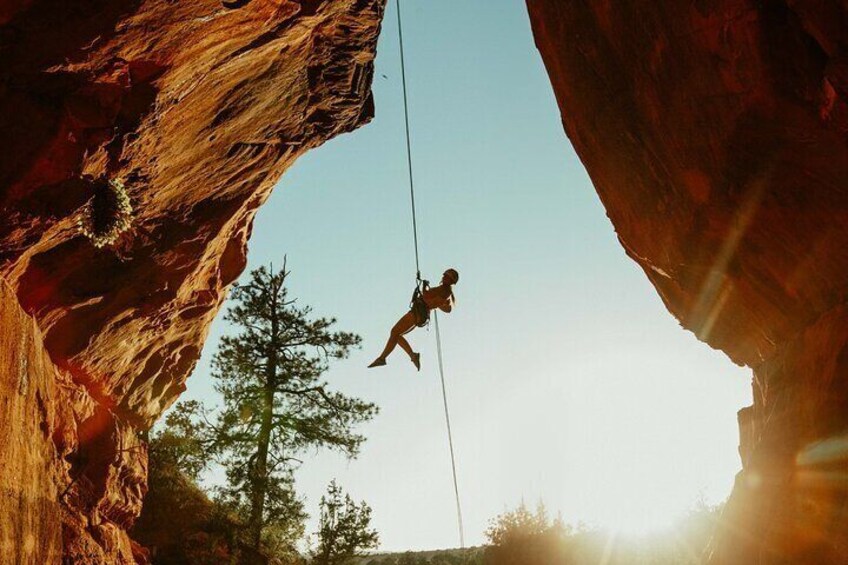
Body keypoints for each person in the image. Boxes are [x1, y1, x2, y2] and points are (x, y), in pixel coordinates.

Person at [368, 268, 459, 370]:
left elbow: (427, 296)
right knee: (396, 335)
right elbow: (441, 305)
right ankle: (411, 356)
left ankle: (383, 358)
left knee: (394, 332)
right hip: (419, 312)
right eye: (444, 275)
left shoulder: (445, 290)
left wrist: (424, 286)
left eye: (446, 276)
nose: (443, 277)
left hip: (419, 312)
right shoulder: (445, 291)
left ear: (451, 281)